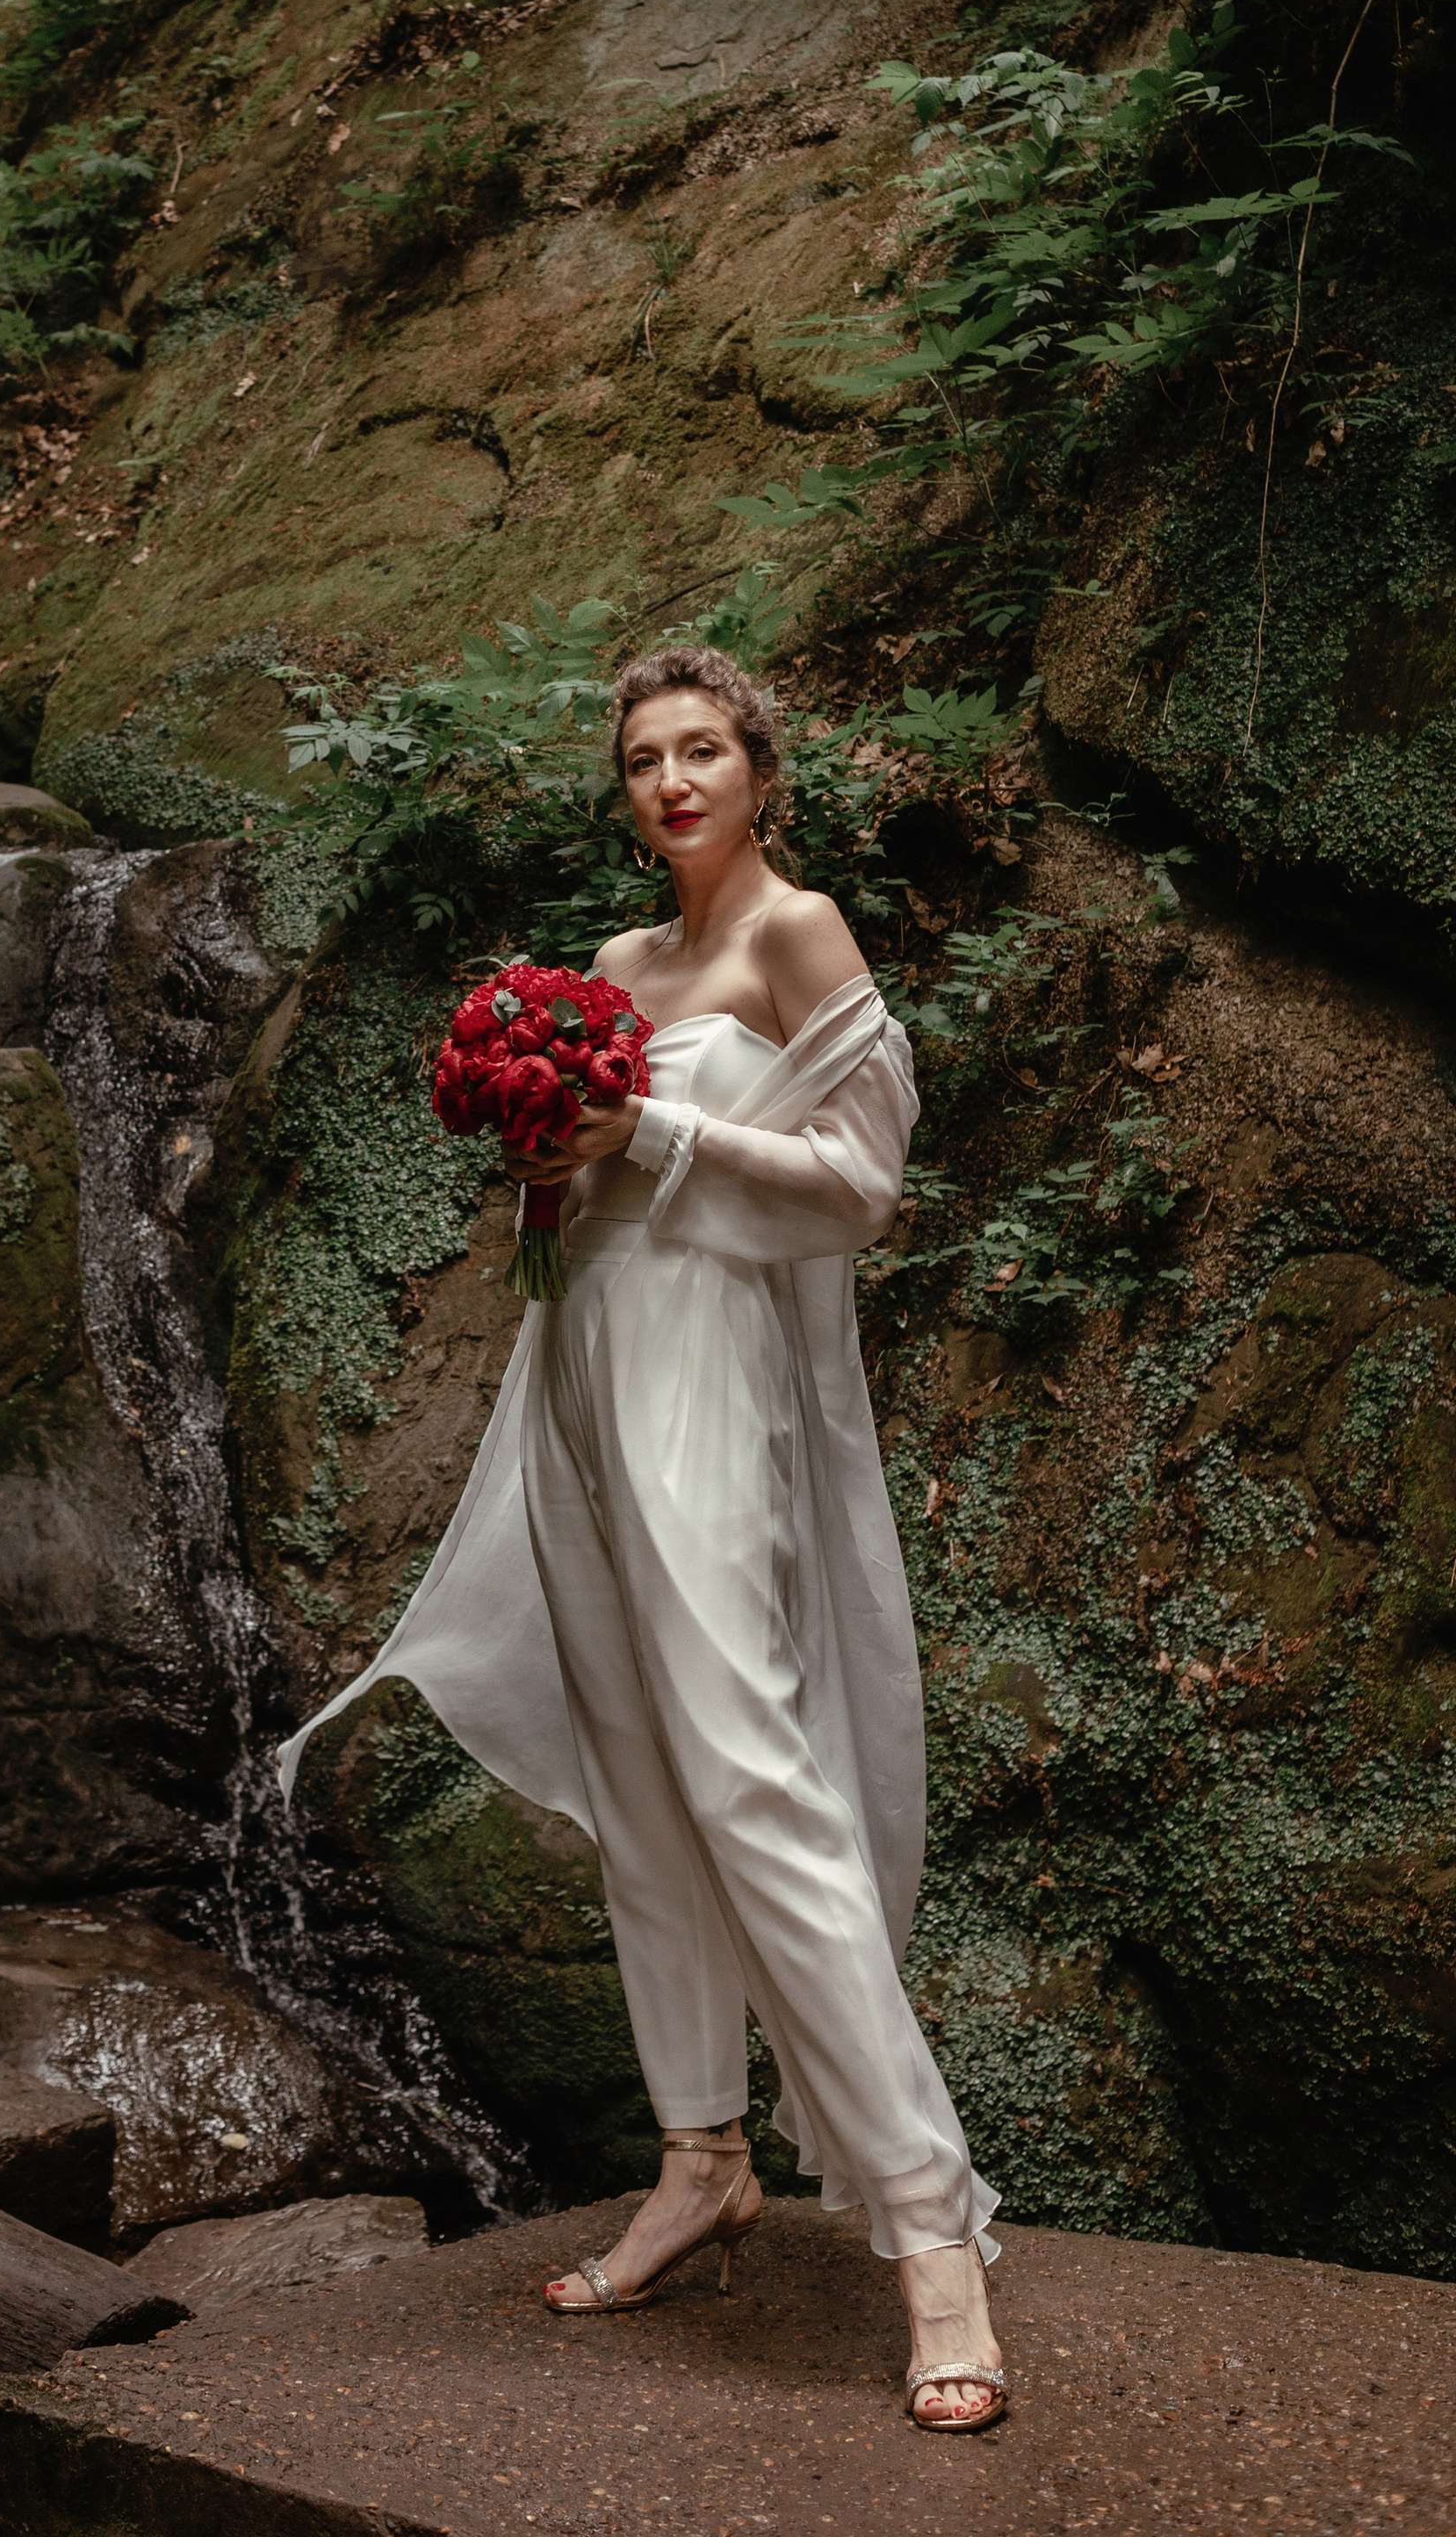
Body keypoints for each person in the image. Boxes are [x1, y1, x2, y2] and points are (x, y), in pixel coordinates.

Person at [281, 645, 1006, 2432]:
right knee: (633, 1773)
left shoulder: (796, 938)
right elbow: (581, 1177)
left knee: (745, 1768)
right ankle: (699, 2158)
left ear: (760, 769)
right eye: (638, 761)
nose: (669, 782)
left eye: (699, 751)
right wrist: (543, 1141)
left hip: (708, 1377)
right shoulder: (604, 971)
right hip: (579, 1372)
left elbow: (863, 1184)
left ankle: (923, 2224)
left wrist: (651, 1124)